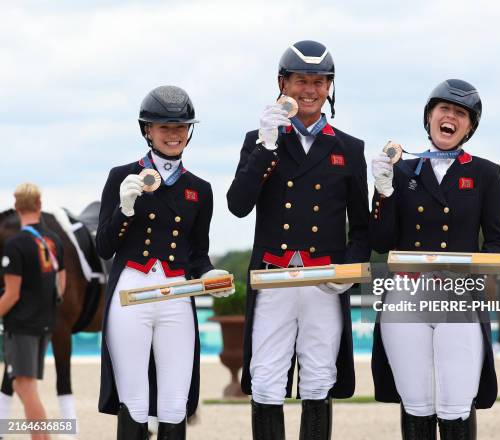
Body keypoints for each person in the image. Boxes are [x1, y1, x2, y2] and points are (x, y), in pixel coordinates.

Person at [227, 40, 370, 439]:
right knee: (267, 377)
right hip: (274, 275)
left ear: (329, 87)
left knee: (319, 376)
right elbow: (238, 205)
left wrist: (350, 270)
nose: (310, 90)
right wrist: (266, 146)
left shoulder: (349, 148)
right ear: (282, 84)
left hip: (324, 280)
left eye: (319, 82)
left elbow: (362, 227)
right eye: (301, 81)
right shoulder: (260, 140)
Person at [370, 79, 500, 439]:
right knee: (416, 401)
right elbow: (382, 241)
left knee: (455, 403)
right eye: (444, 109)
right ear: (429, 116)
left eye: (460, 113)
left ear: (470, 126)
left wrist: (468, 272)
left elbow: (498, 243)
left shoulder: (485, 174)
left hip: (458, 296)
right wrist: (383, 194)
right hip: (406, 296)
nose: (450, 116)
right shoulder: (400, 171)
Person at [96, 85, 233, 440]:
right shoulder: (121, 176)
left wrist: (209, 275)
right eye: (164, 127)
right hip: (131, 294)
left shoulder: (200, 189)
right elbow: (104, 247)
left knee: (175, 401)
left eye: (180, 127)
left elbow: (198, 252)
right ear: (147, 130)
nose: (173, 135)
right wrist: (124, 210)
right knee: (135, 399)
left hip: (176, 297)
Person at [0, 183, 66, 440]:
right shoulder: (54, 241)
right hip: (45, 324)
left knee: (26, 389)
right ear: (39, 205)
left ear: (17, 209)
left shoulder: (16, 244)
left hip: (22, 326)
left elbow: (11, 294)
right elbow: (61, 286)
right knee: (20, 384)